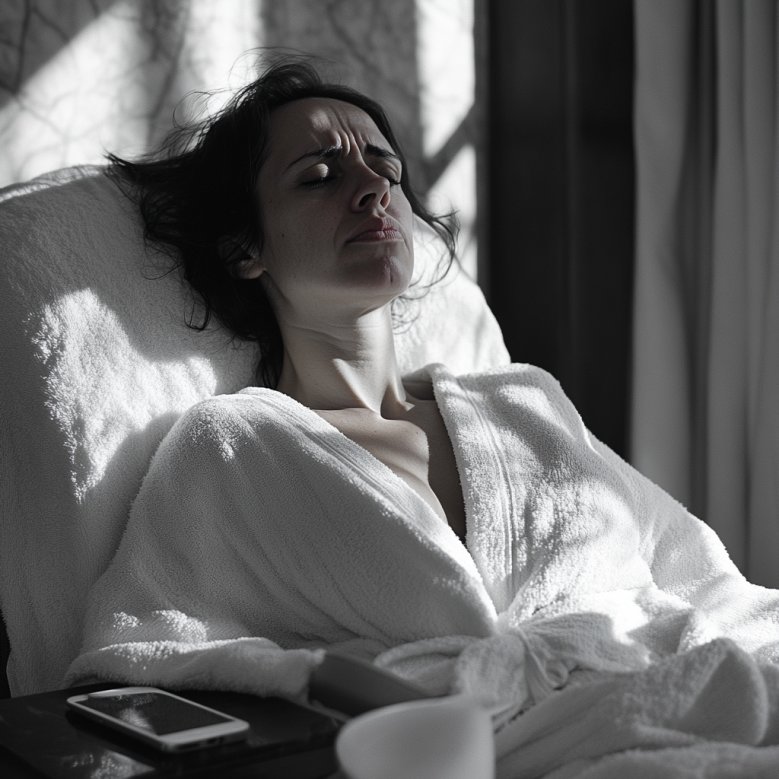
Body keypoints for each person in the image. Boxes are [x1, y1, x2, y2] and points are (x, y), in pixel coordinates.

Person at [67, 60, 779, 774]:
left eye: (386, 168)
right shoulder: (231, 446)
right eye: (319, 176)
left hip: (699, 694)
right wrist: (332, 680)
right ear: (243, 248)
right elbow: (142, 655)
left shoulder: (521, 399)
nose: (373, 187)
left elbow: (697, 575)